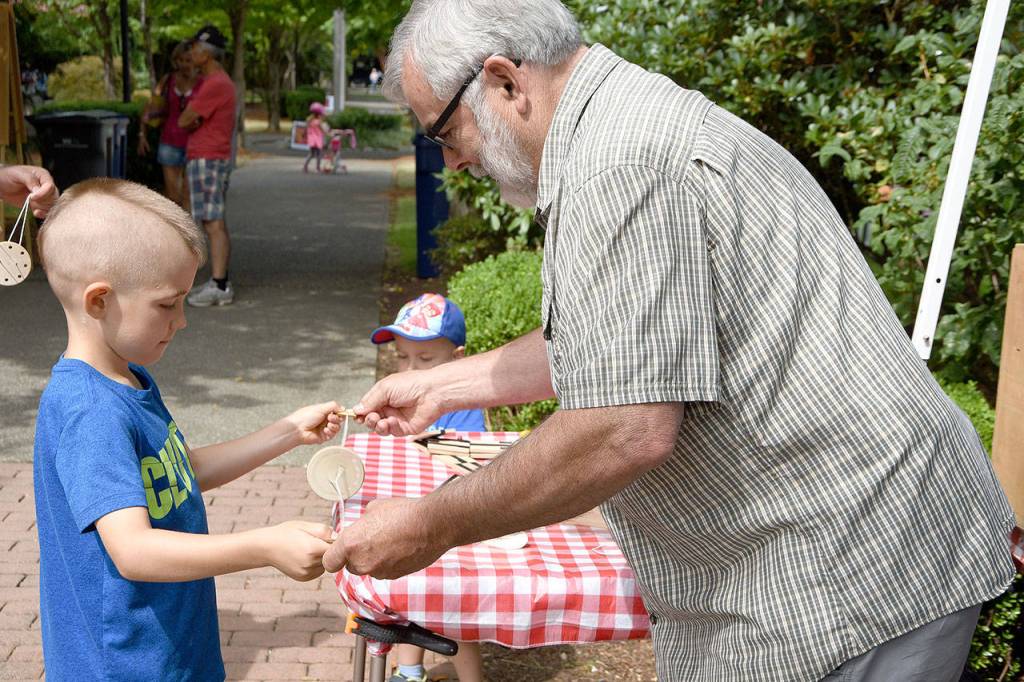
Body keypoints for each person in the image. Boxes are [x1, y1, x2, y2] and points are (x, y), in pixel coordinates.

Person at [322, 2, 1017, 681]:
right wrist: (443, 385)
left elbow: (621, 429)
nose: (451, 163)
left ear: (505, 82)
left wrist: (428, 526)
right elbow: (623, 345)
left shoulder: (618, 164)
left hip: (852, 574)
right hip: (835, 559)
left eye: (445, 133)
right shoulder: (613, 127)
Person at [32, 178, 341, 679]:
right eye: (166, 304)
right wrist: (265, 546)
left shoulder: (126, 379)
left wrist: (286, 432)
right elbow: (134, 550)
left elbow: (177, 473)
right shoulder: (91, 411)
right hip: (124, 666)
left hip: (171, 651)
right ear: (98, 302)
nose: (182, 321)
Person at [370, 293, 484, 681]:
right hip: (410, 513)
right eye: (402, 358)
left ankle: (471, 677)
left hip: (453, 526)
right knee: (405, 594)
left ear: (458, 358)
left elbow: (466, 463)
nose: (410, 369)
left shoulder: (466, 403)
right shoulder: (400, 396)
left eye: (425, 360)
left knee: (458, 615)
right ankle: (409, 670)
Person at [179, 25, 237, 307]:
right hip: (207, 156)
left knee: (213, 222)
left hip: (209, 157)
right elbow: (188, 118)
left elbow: (185, 119)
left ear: (207, 52)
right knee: (212, 220)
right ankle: (218, 280)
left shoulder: (216, 83)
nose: (191, 53)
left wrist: (193, 119)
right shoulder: (210, 81)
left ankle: (220, 285)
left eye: (195, 48)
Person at [139, 40, 200, 210]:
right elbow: (150, 108)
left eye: (189, 60)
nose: (185, 64)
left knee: (189, 195)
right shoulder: (168, 81)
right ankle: (175, 232)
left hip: (195, 144)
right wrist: (142, 134)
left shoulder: (203, 83)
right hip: (170, 142)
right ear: (176, 61)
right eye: (181, 60)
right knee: (173, 196)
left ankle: (188, 236)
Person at [303, 102, 329, 174]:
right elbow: (322, 130)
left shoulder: (309, 120)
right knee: (319, 154)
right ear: (319, 113)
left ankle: (305, 166)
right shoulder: (319, 121)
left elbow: (306, 129)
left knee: (311, 154)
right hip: (317, 139)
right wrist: (327, 133)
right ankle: (317, 168)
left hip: (311, 139)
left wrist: (305, 135)